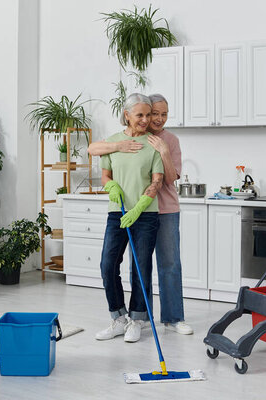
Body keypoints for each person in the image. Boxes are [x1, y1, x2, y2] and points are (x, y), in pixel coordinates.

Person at [89, 94, 193, 335]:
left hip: (160, 209)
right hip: (125, 210)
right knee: (115, 264)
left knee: (165, 264)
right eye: (150, 113)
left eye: (160, 114)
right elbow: (95, 151)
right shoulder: (122, 140)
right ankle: (132, 318)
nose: (153, 119)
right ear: (130, 115)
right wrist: (117, 148)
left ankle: (172, 318)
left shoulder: (167, 141)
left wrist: (164, 151)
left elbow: (168, 178)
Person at [94, 93, 164, 343]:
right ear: (127, 115)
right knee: (107, 265)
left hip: (145, 216)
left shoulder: (154, 144)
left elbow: (158, 180)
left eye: (148, 114)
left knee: (140, 268)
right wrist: (111, 186)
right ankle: (118, 318)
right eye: (140, 115)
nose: (145, 120)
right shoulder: (112, 143)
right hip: (117, 213)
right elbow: (105, 175)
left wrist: (142, 204)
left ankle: (137, 319)